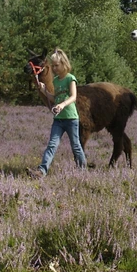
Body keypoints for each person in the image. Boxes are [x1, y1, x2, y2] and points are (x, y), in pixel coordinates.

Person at [31, 48, 87, 177]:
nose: (54, 68)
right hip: (58, 120)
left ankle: (83, 172)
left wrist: (61, 105)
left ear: (64, 64)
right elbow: (54, 98)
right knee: (52, 145)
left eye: (57, 65)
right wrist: (44, 90)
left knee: (76, 146)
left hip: (71, 119)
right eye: (53, 65)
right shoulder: (55, 81)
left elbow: (73, 97)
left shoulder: (70, 79)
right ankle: (41, 171)